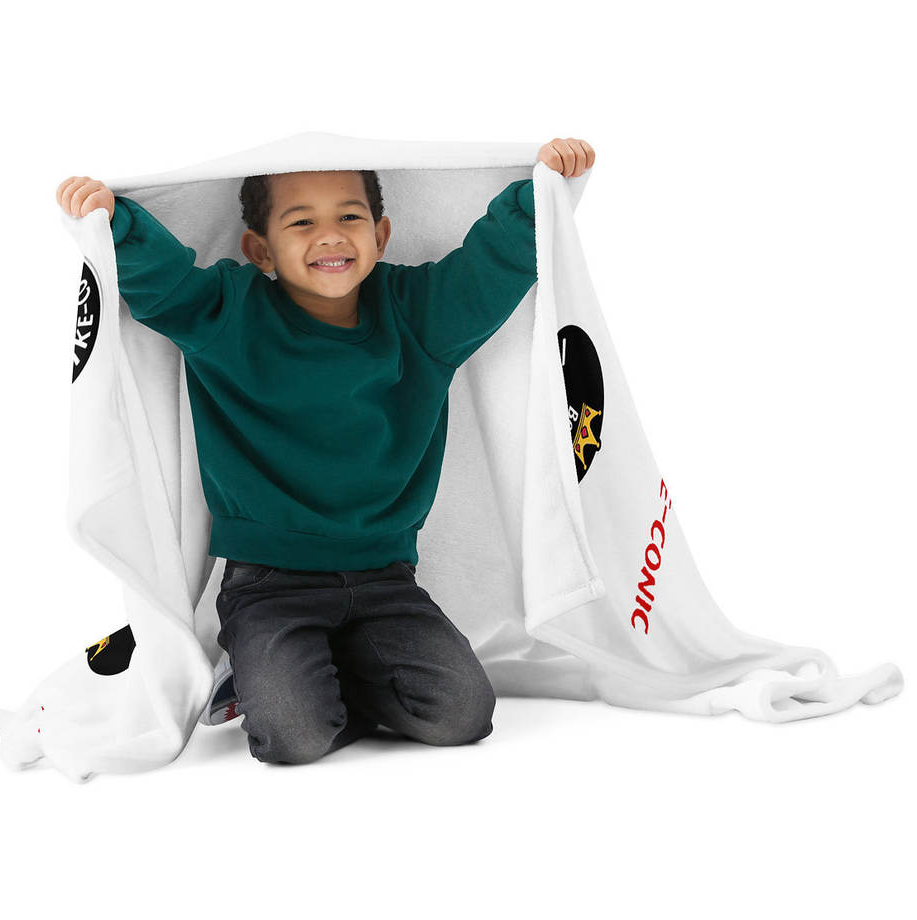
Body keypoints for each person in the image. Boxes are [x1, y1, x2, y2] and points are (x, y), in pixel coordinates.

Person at [55, 137, 595, 765]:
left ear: (381, 235)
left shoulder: (418, 314)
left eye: (349, 216)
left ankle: (324, 671)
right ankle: (267, 674)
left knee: (462, 714)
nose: (330, 235)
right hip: (268, 584)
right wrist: (114, 223)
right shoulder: (230, 315)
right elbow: (166, 285)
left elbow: (489, 270)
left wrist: (541, 195)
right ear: (260, 250)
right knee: (295, 737)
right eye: (301, 222)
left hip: (386, 579)